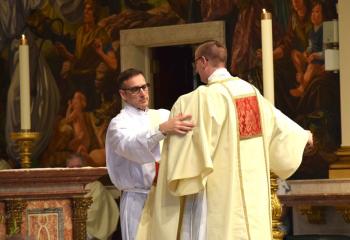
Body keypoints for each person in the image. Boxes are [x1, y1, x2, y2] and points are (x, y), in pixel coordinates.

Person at [136, 40, 313, 240]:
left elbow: (183, 159)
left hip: (216, 194)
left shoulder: (198, 100)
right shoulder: (251, 92)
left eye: (196, 64)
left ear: (203, 62)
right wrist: (303, 135)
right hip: (252, 193)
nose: (196, 70)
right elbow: (278, 122)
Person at [105, 68, 195, 240]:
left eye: (145, 87)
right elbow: (131, 146)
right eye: (135, 89)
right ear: (123, 94)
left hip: (166, 197)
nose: (143, 93)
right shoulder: (118, 124)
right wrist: (161, 130)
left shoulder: (163, 115)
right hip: (138, 198)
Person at [66, 153, 119, 240]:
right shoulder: (63, 187)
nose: (75, 170)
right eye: (71, 167)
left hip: (90, 232)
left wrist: (73, 219)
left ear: (85, 168)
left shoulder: (95, 186)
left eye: (79, 166)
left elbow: (95, 213)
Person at [289, 1, 325, 97]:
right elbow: (310, 47)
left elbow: (326, 53)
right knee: (294, 53)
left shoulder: (325, 29)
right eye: (312, 12)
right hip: (311, 60)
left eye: (317, 12)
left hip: (321, 64)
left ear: (323, 15)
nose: (313, 15)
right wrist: (306, 53)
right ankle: (300, 74)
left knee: (311, 67)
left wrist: (314, 55)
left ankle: (301, 88)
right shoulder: (312, 31)